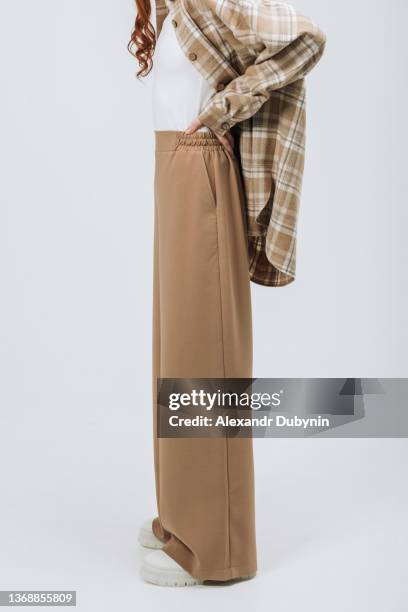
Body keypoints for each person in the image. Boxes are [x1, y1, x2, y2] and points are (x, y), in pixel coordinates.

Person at [128, 0, 326, 587]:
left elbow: (308, 38)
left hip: (199, 164)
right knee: (176, 347)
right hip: (172, 168)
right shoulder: (167, 10)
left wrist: (226, 106)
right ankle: (180, 518)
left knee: (203, 353)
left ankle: (214, 549)